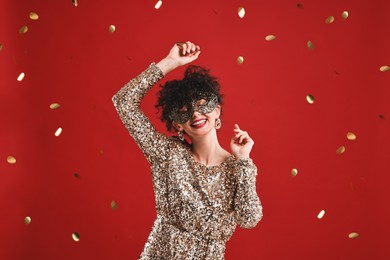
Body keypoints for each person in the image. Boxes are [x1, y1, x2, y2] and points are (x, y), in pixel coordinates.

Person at [112, 41, 263, 259]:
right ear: (177, 125)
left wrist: (243, 161)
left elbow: (249, 218)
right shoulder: (167, 154)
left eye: (202, 105)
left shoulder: (238, 167)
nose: (195, 114)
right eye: (184, 111)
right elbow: (123, 102)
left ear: (217, 110)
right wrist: (170, 62)